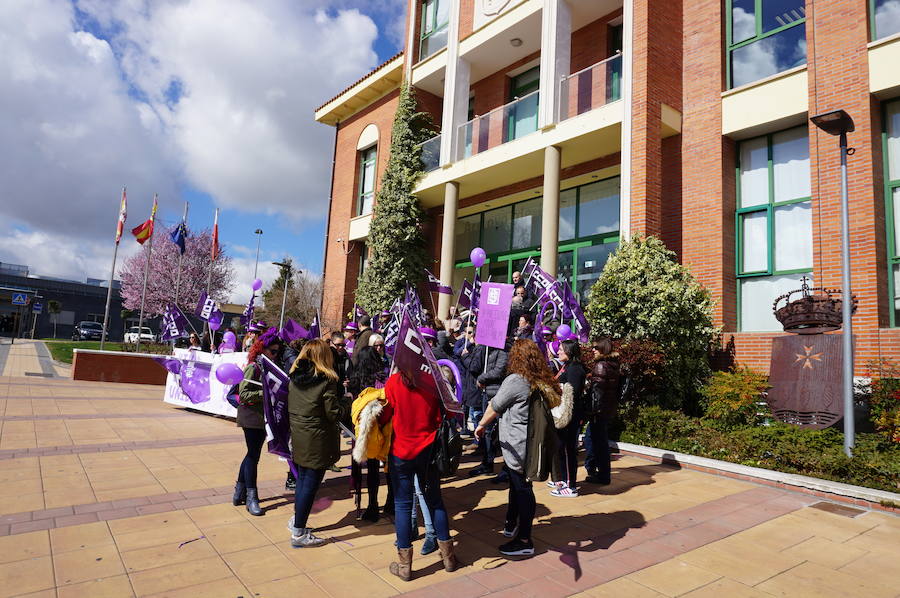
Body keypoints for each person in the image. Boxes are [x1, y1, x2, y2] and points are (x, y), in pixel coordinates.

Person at [475, 339, 560, 556]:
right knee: (516, 484)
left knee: (522, 488)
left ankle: (524, 540)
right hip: (529, 441)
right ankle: (511, 523)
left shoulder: (516, 380)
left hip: (517, 444)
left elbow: (495, 406)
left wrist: (481, 426)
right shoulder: (539, 379)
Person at [381, 369, 458, 581]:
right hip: (429, 450)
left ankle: (405, 566)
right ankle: (448, 558)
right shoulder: (432, 381)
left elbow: (386, 415)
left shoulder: (394, 382)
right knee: (435, 501)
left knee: (403, 505)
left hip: (402, 452)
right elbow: (451, 412)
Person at [287, 339, 348, 547]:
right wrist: (346, 402)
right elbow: (333, 413)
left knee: (303, 481)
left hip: (299, 436)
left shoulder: (294, 376)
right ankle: (298, 533)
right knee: (310, 485)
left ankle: (297, 521)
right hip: (317, 439)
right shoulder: (327, 380)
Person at [234, 328, 283, 516]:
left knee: (251, 454)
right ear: (262, 349)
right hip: (250, 417)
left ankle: (239, 492)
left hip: (263, 418)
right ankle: (251, 497)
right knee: (253, 456)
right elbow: (244, 394)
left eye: (278, 351)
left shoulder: (270, 368)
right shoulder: (253, 367)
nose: (275, 355)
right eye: (273, 351)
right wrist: (267, 393)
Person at [347, 346, 389, 522]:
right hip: (385, 426)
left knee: (371, 469)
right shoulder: (384, 378)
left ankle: (372, 505)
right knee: (388, 466)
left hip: (364, 429)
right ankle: (391, 502)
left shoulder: (355, 381)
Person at [549, 339, 587, 497]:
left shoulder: (576, 369)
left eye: (562, 350)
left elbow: (572, 392)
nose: (558, 352)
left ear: (570, 351)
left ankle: (571, 486)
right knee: (561, 448)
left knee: (569, 450)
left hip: (570, 416)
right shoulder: (567, 366)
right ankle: (564, 479)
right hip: (564, 414)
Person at [466, 339, 509, 477]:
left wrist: (482, 378)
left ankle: (507, 469)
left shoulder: (504, 351)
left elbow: (499, 371)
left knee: (500, 431)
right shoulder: (486, 349)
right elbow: (473, 366)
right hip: (487, 393)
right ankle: (487, 463)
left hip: (497, 394)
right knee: (488, 431)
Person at [584, 338, 621, 485]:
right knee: (595, 440)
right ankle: (594, 469)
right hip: (607, 409)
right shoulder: (614, 364)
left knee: (597, 442)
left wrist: (591, 412)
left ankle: (601, 474)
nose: (593, 350)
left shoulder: (600, 366)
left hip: (598, 411)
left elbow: (596, 394)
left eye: (595, 348)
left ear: (603, 349)